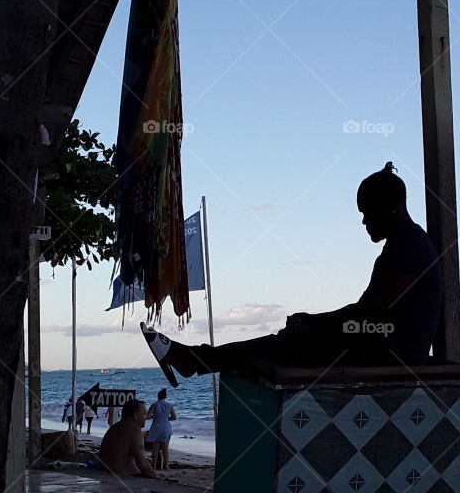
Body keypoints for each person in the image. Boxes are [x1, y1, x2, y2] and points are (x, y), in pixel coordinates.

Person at [140, 163, 442, 383]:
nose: (364, 221)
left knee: (293, 340)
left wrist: (316, 322)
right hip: (382, 343)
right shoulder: (406, 244)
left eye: (367, 212)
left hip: (391, 350)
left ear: (390, 206)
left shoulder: (409, 245)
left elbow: (372, 311)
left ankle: (195, 360)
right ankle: (197, 360)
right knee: (293, 337)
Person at [95, 400, 158, 479]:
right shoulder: (134, 430)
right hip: (125, 478)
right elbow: (143, 465)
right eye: (144, 414)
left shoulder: (114, 428)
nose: (146, 417)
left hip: (107, 476)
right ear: (135, 415)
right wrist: (159, 478)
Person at [145, 388, 177, 469]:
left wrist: (154, 417)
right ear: (165, 397)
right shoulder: (170, 405)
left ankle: (154, 466)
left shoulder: (154, 404)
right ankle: (166, 466)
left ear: (158, 396)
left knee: (155, 449)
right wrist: (165, 418)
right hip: (166, 427)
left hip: (156, 427)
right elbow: (174, 417)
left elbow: (147, 417)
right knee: (165, 449)